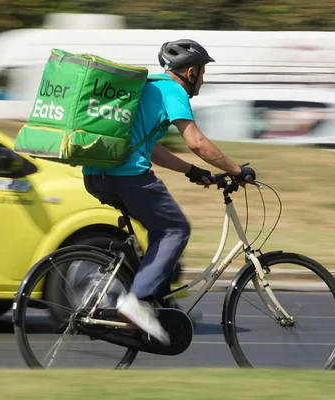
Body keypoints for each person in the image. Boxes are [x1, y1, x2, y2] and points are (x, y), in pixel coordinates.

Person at [82, 39, 256, 345]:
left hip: (98, 175)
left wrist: (191, 171)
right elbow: (197, 143)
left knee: (159, 231)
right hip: (128, 177)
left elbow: (150, 147)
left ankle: (159, 304)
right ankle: (138, 301)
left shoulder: (151, 87)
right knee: (175, 229)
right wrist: (236, 170)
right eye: (202, 73)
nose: (203, 79)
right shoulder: (173, 91)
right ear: (190, 71)